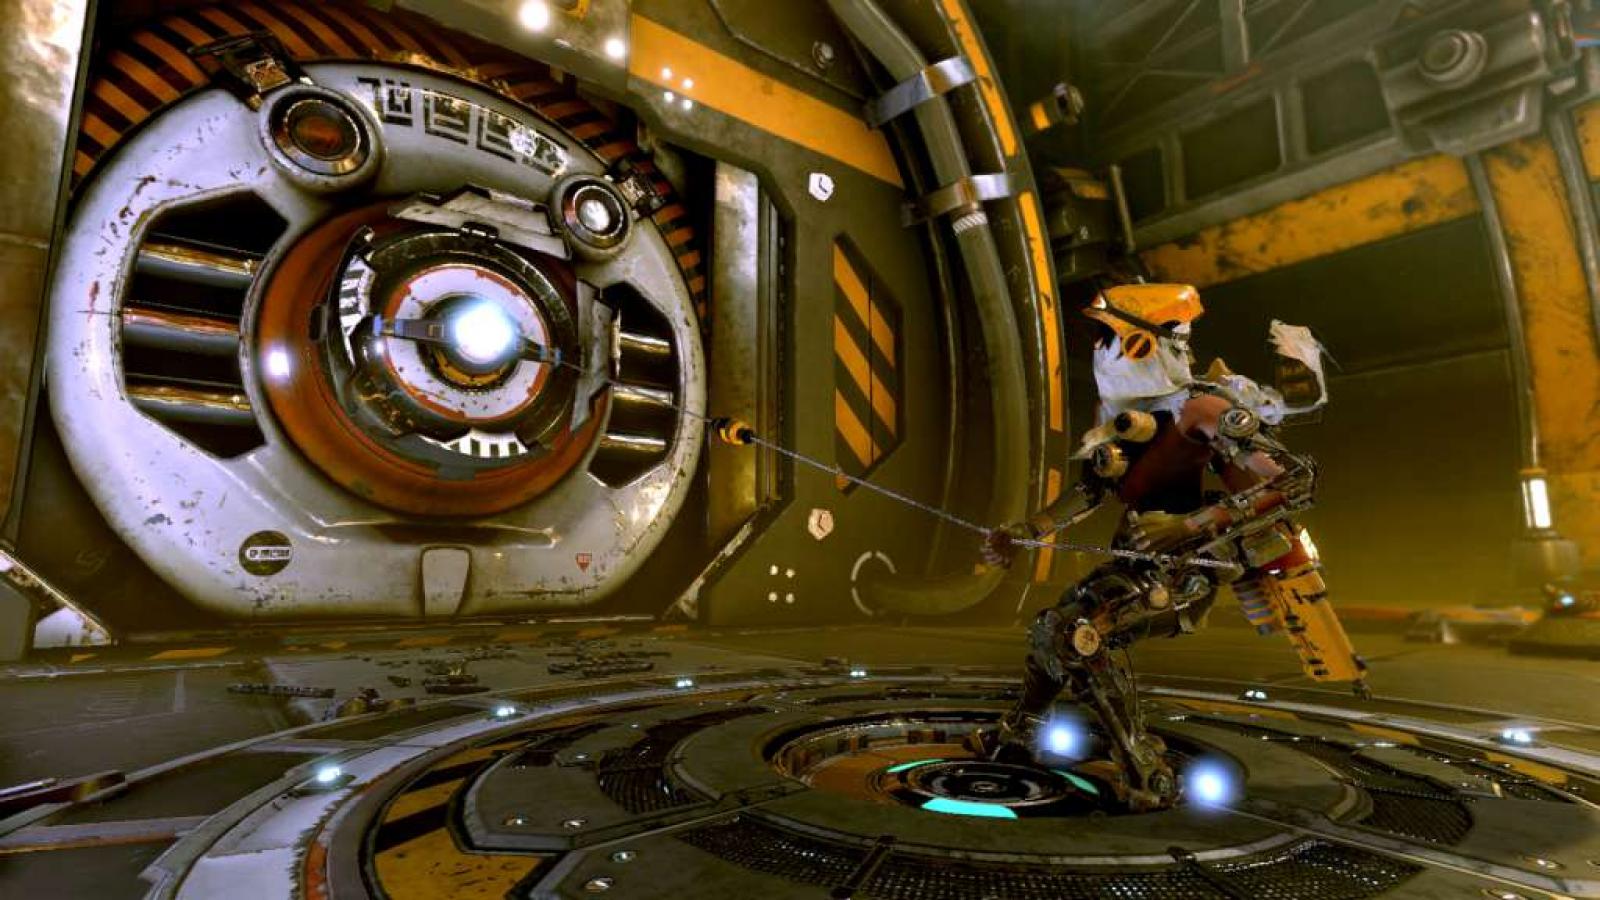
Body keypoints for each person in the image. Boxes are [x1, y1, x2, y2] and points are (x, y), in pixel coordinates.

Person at [978, 283, 1368, 811]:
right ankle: (1017, 735)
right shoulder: (1121, 414)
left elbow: (1292, 481)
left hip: (1189, 567)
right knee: (1054, 629)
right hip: (1138, 559)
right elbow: (1096, 485)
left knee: (1079, 634)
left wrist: (1187, 526)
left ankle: (1146, 773)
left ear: (1146, 341)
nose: (1099, 348)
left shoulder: (1202, 410)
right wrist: (1027, 529)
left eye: (1107, 335)